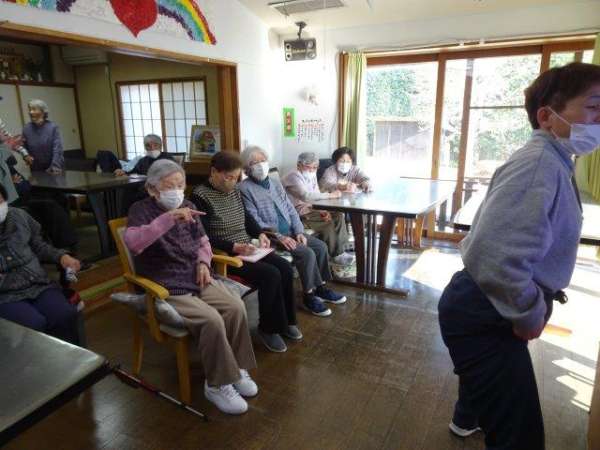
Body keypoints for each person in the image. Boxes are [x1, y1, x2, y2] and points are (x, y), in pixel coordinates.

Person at [438, 61, 600, 450]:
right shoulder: (540, 164)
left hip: (486, 303)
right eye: (594, 107)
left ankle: (465, 418)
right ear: (547, 116)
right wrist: (529, 313)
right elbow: (496, 258)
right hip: (485, 309)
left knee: (491, 382)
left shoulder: (553, 160)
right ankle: (470, 415)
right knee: (520, 437)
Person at [124, 159, 258, 415]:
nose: (177, 191)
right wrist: (167, 219)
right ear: (152, 189)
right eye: (169, 186)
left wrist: (204, 263)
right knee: (211, 319)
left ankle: (237, 369)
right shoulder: (140, 209)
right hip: (164, 281)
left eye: (180, 185)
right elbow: (134, 242)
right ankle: (217, 384)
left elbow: (203, 242)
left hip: (195, 274)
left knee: (235, 306)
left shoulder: (189, 205)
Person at [191, 151, 302, 353]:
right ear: (214, 172)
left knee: (285, 268)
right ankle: (268, 328)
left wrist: (260, 233)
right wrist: (233, 247)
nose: (233, 182)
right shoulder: (200, 196)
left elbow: (247, 219)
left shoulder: (234, 190)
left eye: (236, 177)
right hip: (225, 254)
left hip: (248, 248)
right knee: (271, 274)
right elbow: (204, 237)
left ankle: (286, 321)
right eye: (229, 177)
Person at [239, 146, 347, 318]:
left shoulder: (275, 183)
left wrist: (299, 231)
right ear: (246, 168)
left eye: (263, 161)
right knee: (307, 253)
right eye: (255, 162)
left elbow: (290, 209)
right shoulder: (244, 189)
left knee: (320, 247)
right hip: (272, 237)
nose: (260, 165)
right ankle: (308, 296)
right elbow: (254, 221)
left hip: (291, 231)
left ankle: (320, 288)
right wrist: (279, 237)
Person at [0, 183, 81, 344]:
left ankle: (69, 359)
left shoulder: (18, 216)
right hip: (5, 294)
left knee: (64, 314)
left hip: (37, 284)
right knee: (34, 324)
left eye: (0, 200)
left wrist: (61, 257)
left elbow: (38, 246)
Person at [282, 151, 353, 265]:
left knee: (338, 215)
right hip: (299, 213)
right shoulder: (293, 176)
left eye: (315, 167)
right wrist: (330, 195)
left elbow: (316, 194)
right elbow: (306, 196)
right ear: (299, 165)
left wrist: (322, 209)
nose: (312, 170)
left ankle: (342, 248)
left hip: (312, 208)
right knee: (328, 223)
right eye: (308, 167)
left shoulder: (311, 174)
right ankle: (336, 254)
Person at [20, 99, 64, 173]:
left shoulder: (53, 127)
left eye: (34, 109)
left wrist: (55, 165)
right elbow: (23, 146)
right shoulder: (26, 128)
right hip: (36, 167)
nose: (30, 112)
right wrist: (25, 156)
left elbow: (57, 148)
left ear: (43, 112)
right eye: (30, 110)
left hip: (54, 166)